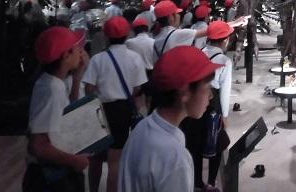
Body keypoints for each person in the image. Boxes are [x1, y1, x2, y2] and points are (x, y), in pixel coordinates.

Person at [118, 46, 222, 192]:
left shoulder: (143, 127)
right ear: (185, 92)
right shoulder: (175, 158)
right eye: (207, 87)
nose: (211, 96)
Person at [83, 16, 148, 192]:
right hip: (122, 111)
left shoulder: (97, 59)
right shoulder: (134, 58)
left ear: (106, 36)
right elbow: (137, 88)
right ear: (127, 35)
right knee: (115, 160)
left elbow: (88, 89)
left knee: (96, 157)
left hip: (100, 110)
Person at [22, 26, 90, 192]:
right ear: (66, 56)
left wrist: (77, 77)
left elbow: (67, 113)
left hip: (56, 174)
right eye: (77, 49)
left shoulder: (53, 82)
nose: (81, 52)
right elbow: (37, 145)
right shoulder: (52, 89)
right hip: (52, 179)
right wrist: (74, 161)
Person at [185, 21, 235, 192]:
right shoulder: (224, 61)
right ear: (225, 40)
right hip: (213, 103)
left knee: (195, 142)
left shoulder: (198, 53)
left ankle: (198, 182)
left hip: (195, 100)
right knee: (217, 142)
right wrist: (225, 116)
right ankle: (212, 182)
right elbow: (225, 91)